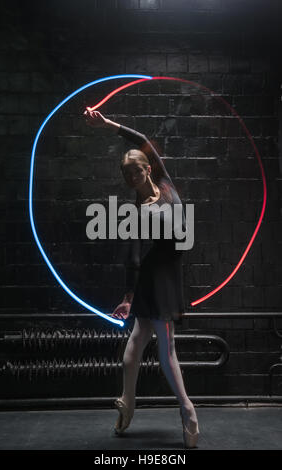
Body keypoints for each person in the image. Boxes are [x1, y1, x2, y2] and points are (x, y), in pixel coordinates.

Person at [84, 109, 199, 448]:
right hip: (152, 275)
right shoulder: (136, 209)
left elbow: (144, 141)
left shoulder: (164, 181)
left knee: (166, 350)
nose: (131, 179)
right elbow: (133, 256)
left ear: (148, 168)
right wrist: (128, 296)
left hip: (166, 276)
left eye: (134, 172)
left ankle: (188, 411)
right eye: (126, 176)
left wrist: (108, 125)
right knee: (135, 344)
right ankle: (128, 405)